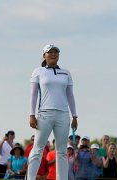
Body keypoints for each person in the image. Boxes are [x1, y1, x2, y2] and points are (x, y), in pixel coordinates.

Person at [27, 44, 78, 180]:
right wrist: (32, 114)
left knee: (61, 151)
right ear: (44, 55)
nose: (53, 54)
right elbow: (33, 95)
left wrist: (74, 116)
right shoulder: (38, 71)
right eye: (50, 52)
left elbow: (70, 95)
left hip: (63, 115)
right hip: (44, 114)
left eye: (56, 52)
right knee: (38, 149)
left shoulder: (66, 73)